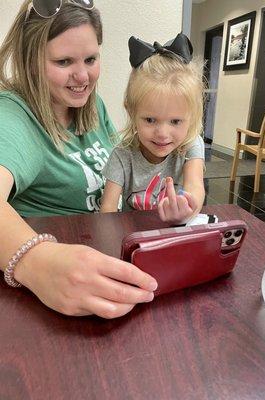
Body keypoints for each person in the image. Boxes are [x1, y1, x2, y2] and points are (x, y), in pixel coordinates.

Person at [0, 0, 158, 319]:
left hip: (119, 253)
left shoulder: (91, 105)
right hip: (63, 290)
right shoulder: (13, 117)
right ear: (31, 61)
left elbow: (122, 171)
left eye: (91, 58)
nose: (82, 76)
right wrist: (37, 261)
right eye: (63, 61)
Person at [100, 34, 205, 225]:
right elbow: (107, 210)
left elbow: (195, 186)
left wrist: (187, 208)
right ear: (131, 112)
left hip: (175, 235)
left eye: (175, 121)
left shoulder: (191, 145)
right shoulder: (121, 156)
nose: (163, 134)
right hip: (133, 237)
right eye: (150, 120)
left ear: (192, 116)